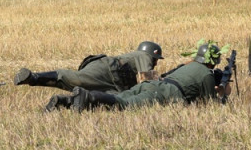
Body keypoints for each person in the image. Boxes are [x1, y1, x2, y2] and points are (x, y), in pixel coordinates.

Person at [64, 42, 233, 112]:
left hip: (153, 85)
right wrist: (223, 93)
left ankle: (66, 101)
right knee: (124, 105)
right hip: (165, 94)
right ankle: (87, 96)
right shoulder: (206, 75)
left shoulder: (188, 66)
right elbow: (209, 106)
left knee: (117, 99)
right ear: (214, 61)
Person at [15, 41, 165, 109]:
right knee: (76, 79)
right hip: (107, 70)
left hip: (111, 82)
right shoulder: (144, 56)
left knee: (100, 99)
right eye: (156, 60)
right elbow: (148, 81)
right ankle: (34, 77)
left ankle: (62, 102)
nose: (156, 63)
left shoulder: (136, 56)